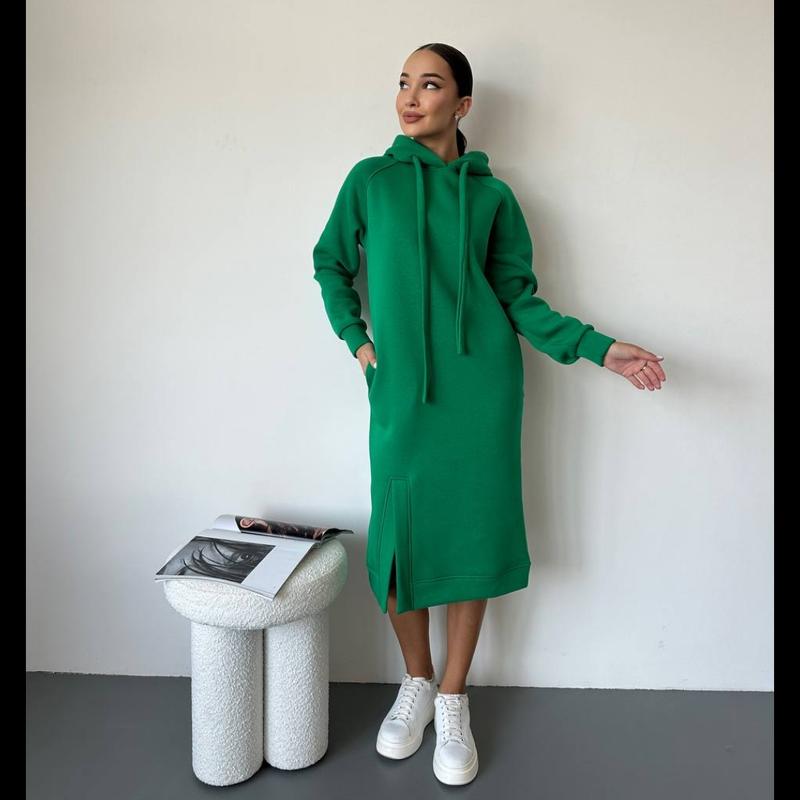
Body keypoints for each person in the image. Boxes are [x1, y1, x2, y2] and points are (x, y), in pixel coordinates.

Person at [312, 42, 667, 786]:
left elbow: (519, 300)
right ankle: (415, 680)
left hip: (483, 392)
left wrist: (599, 349)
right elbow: (329, 262)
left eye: (429, 85)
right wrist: (360, 343)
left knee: (471, 530)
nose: (410, 98)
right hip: (403, 391)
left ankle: (452, 696)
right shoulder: (371, 180)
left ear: (462, 104)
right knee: (400, 536)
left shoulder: (494, 199)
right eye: (403, 83)